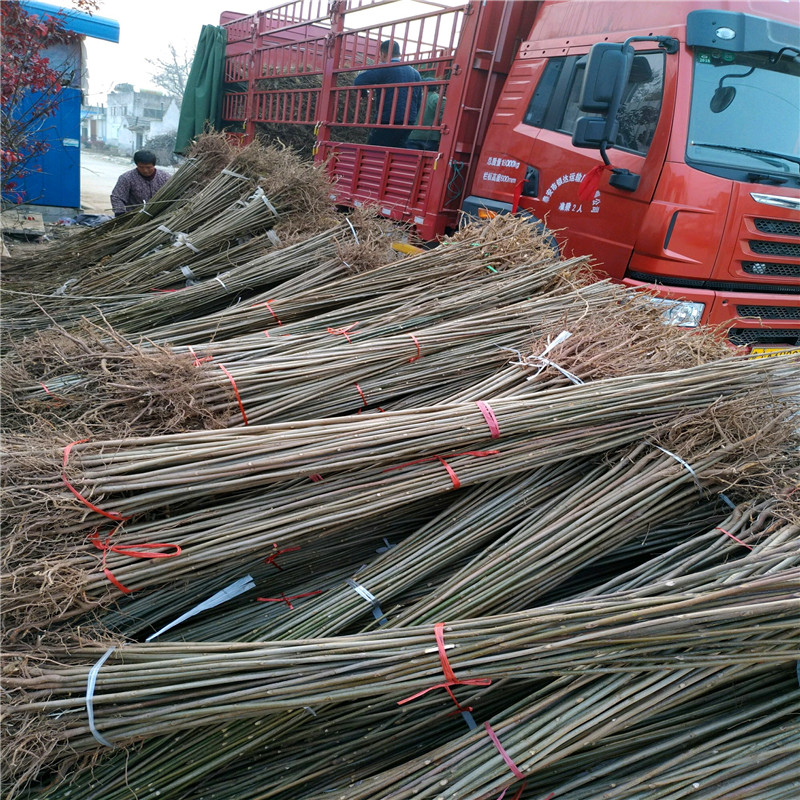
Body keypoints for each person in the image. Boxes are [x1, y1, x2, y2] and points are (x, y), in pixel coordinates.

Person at [354, 40, 422, 148]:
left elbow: (359, 81)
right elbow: (418, 100)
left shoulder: (385, 68)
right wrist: (411, 117)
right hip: (408, 121)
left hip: (387, 119)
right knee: (397, 151)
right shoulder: (415, 73)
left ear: (383, 54)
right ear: (399, 54)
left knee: (374, 151)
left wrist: (363, 94)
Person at [110, 150, 171, 217]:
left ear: (154, 165)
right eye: (141, 167)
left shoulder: (165, 177)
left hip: (160, 216)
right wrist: (121, 215)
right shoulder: (126, 178)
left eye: (148, 167)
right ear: (136, 164)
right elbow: (117, 197)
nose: (145, 170)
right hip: (134, 217)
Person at [407, 80, 446, 151]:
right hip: (431, 137)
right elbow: (444, 118)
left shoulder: (414, 98)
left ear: (422, 87)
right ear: (437, 87)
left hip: (412, 135)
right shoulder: (439, 99)